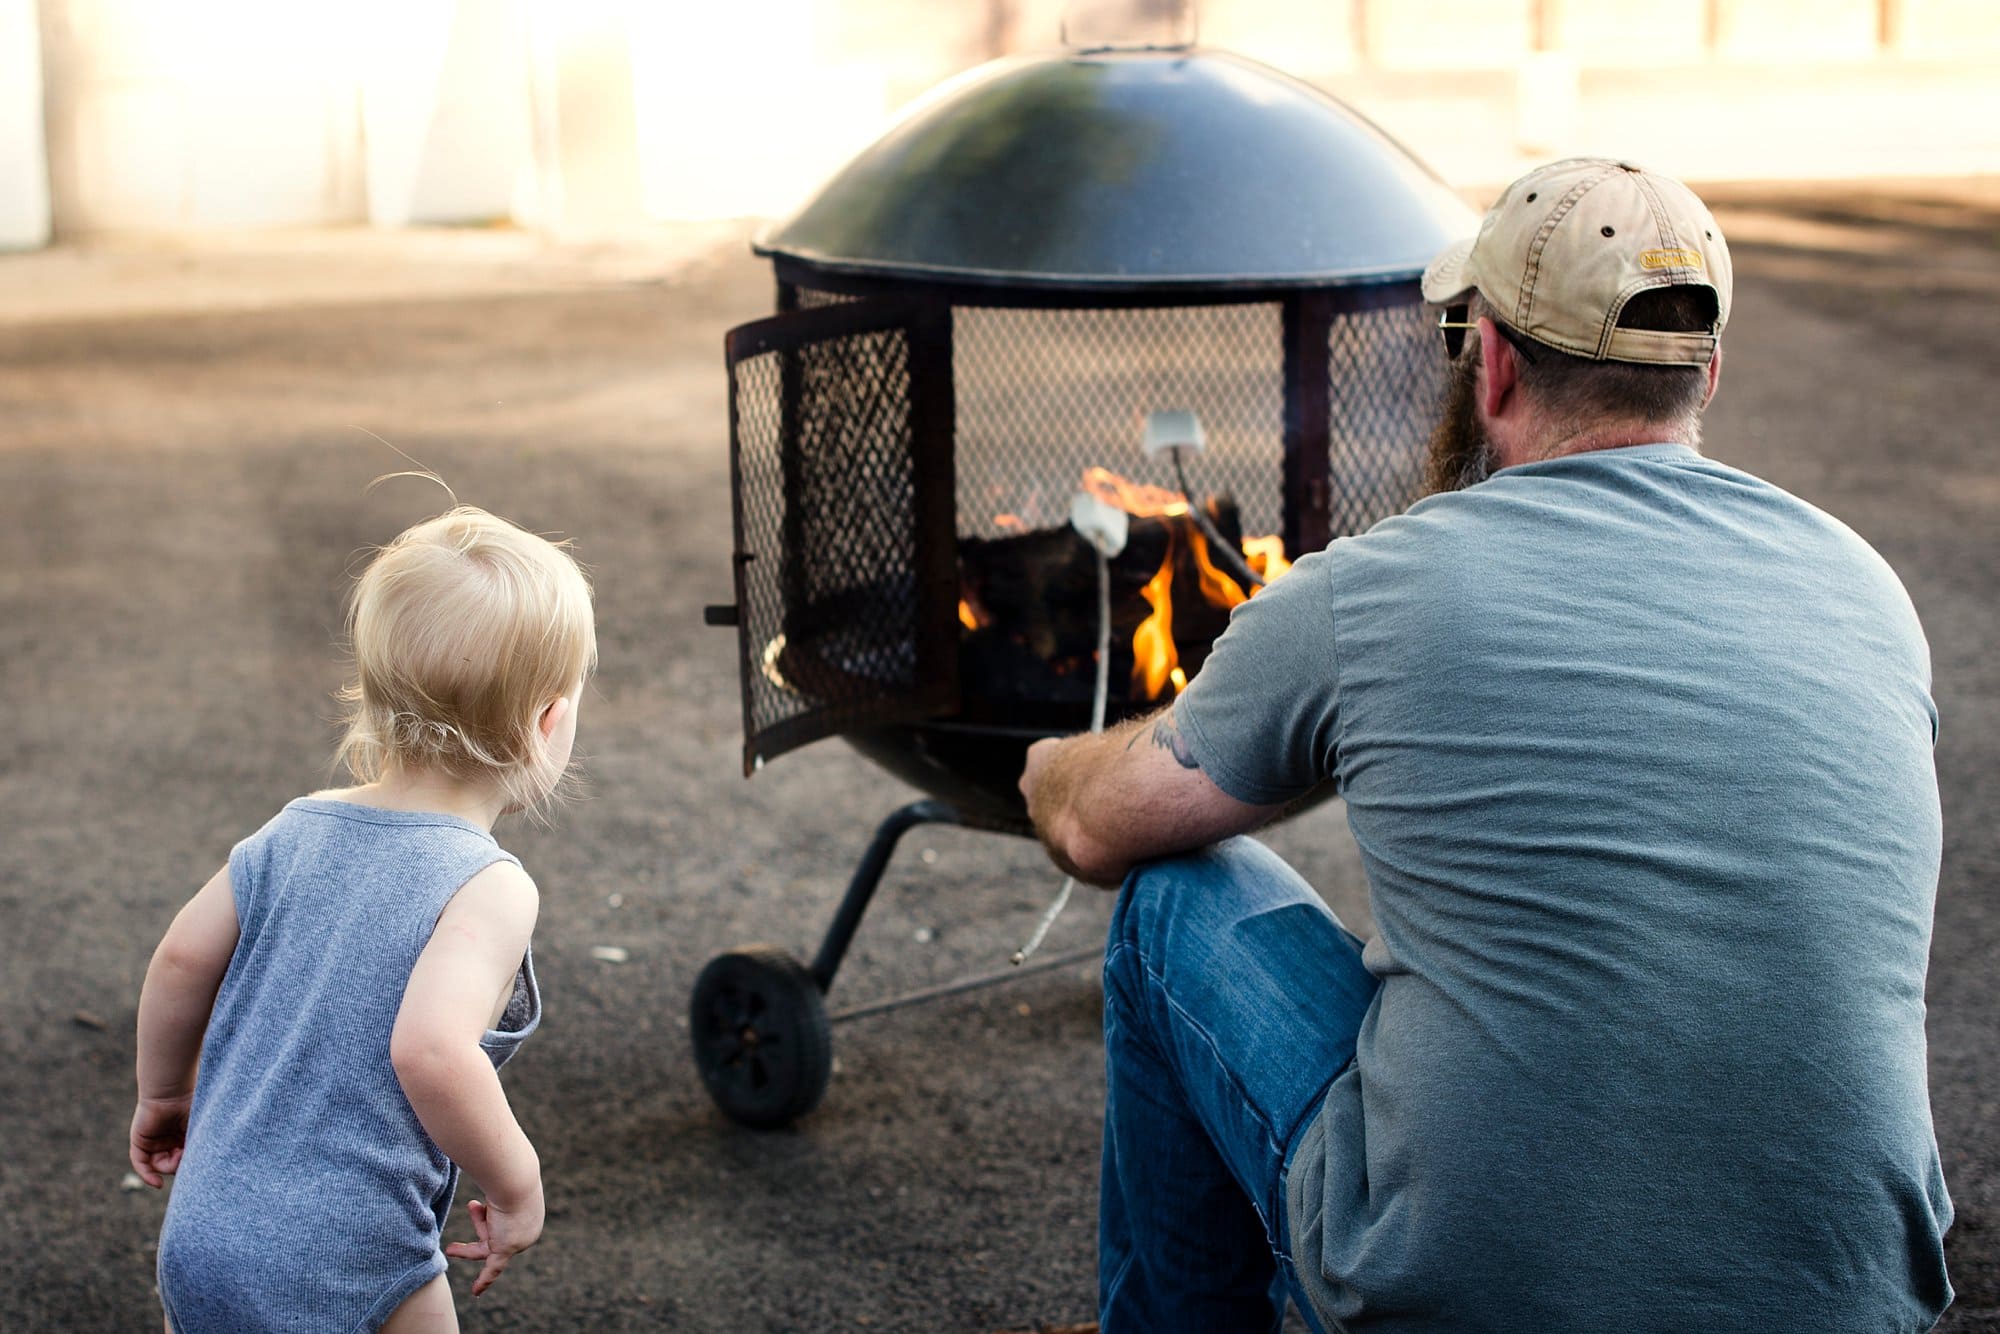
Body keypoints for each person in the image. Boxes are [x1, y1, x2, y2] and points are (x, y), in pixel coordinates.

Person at [1020, 158, 1953, 1332]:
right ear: (1705, 369)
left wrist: (1044, 761)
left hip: (1470, 1300)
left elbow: (1093, 827)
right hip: (1852, 1301)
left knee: (1173, 898)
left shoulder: (1380, 587)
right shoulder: (1862, 588)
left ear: (1493, 361)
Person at [128, 504, 597, 1332]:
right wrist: (516, 1181)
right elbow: (429, 1049)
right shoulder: (487, 885)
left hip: (203, 1230)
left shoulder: (294, 827)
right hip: (349, 1254)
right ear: (547, 724)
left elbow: (178, 961)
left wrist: (165, 1093)